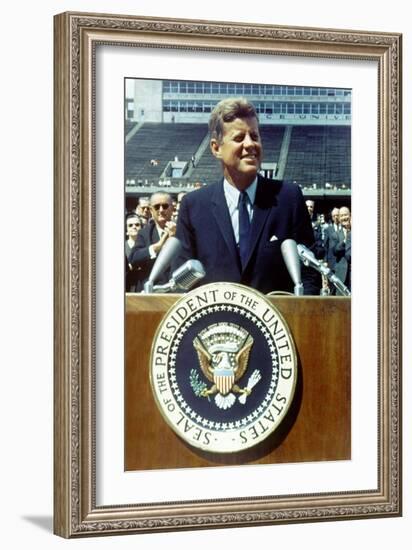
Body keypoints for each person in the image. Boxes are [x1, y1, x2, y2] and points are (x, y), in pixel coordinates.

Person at [175, 98, 319, 295]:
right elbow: (182, 283)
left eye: (254, 136)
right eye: (239, 137)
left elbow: (309, 274)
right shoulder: (193, 206)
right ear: (216, 148)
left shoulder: (288, 198)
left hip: (278, 324)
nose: (250, 144)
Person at [130, 192, 177, 285]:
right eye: (156, 207)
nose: (161, 210)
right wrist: (157, 246)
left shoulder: (183, 232)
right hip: (151, 289)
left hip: (177, 289)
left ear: (172, 209)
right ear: (151, 210)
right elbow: (134, 259)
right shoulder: (144, 233)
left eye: (165, 206)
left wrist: (175, 239)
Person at [330, 206, 351, 293]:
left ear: (350, 215)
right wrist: (345, 240)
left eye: (346, 215)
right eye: (342, 216)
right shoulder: (335, 235)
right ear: (339, 218)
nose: (344, 217)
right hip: (342, 275)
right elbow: (335, 251)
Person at [125, 213, 143, 292]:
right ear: (126, 231)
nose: (134, 227)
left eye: (137, 224)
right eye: (130, 225)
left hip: (141, 287)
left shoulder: (146, 247)